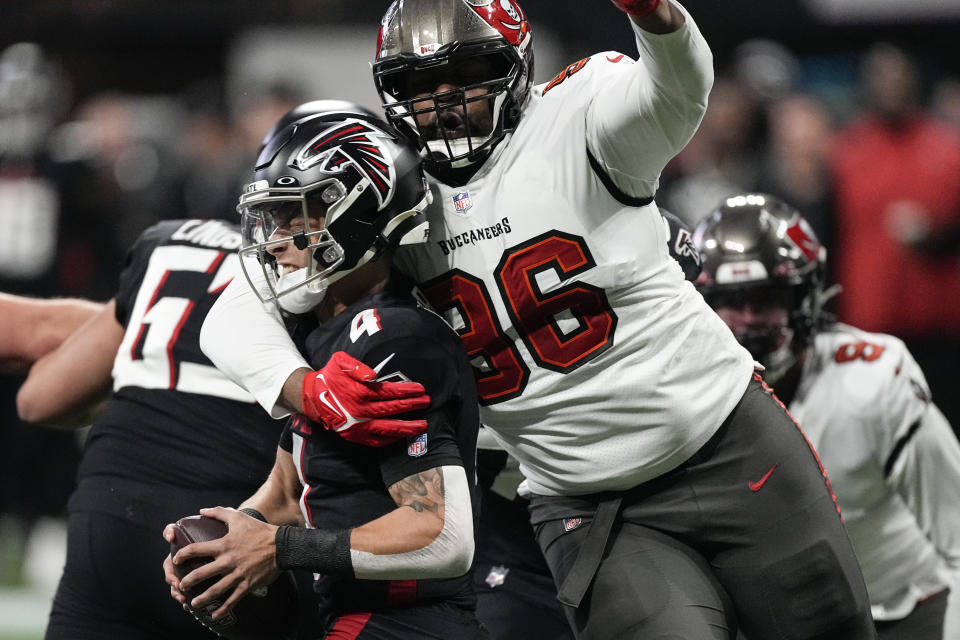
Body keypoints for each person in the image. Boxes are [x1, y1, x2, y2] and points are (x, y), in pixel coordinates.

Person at [198, 2, 876, 637]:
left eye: (467, 72)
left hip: (726, 440)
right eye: (420, 81)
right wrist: (303, 387)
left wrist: (658, 18)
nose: (444, 98)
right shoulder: (399, 194)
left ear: (517, 64)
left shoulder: (574, 122)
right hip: (584, 499)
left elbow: (677, 93)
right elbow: (233, 305)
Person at [11, 214, 430, 639]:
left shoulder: (169, 241)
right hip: (237, 531)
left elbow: (38, 400)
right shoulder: (338, 278)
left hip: (109, 520)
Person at [164, 107, 488, 639]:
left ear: (361, 214)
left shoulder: (395, 337)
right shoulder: (321, 334)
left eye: (300, 216)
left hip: (409, 625)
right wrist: (220, 544)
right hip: (358, 618)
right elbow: (290, 496)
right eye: (274, 218)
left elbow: (442, 536)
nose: (276, 240)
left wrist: (279, 549)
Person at [692, 193, 960, 639]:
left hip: (904, 605)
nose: (748, 321)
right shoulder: (683, 400)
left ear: (807, 296)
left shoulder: (871, 380)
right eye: (731, 301)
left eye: (766, 298)